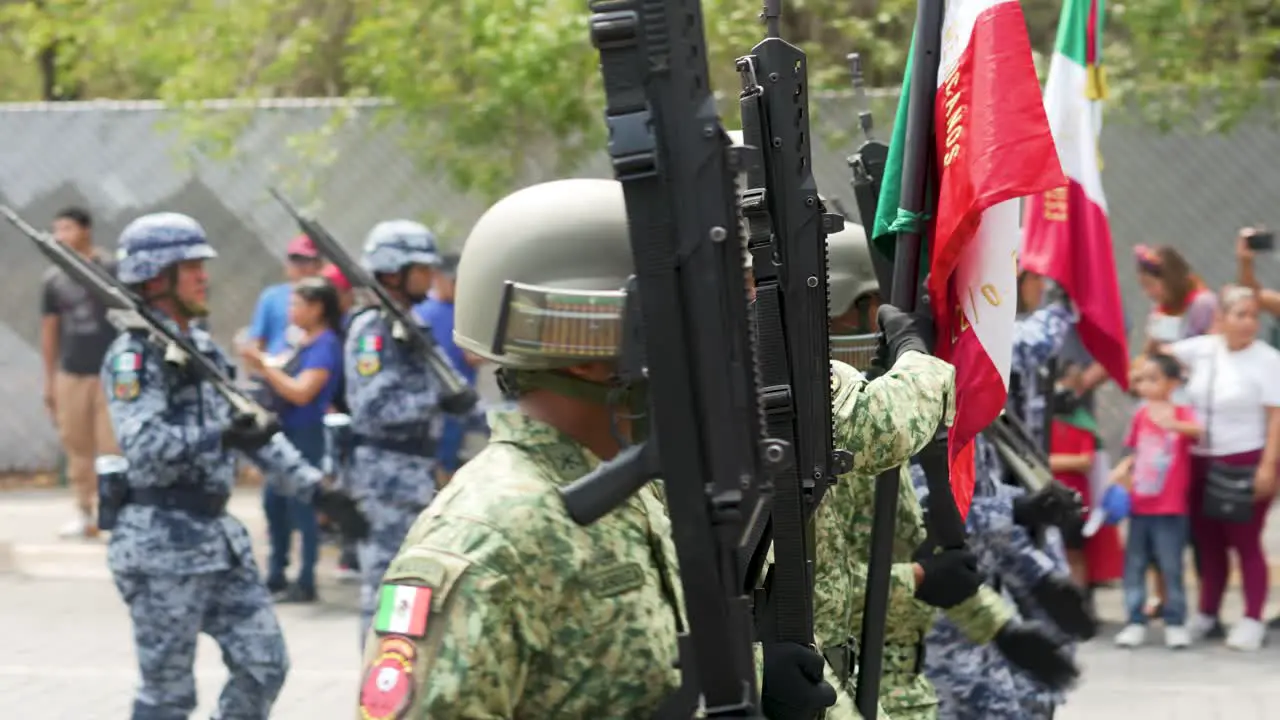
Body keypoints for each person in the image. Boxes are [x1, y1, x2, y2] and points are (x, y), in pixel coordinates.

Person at [359, 178, 839, 719]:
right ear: (586, 345)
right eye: (672, 324)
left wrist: (753, 674)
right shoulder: (489, 534)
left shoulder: (623, 492)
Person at [814, 226, 1079, 720]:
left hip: (905, 669)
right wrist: (916, 580)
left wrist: (999, 625)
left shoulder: (874, 411)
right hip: (848, 674)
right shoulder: (854, 422)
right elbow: (813, 593)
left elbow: (930, 539)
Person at [101, 212, 325, 719]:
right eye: (192, 266)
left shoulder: (201, 349)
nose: (205, 276)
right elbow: (144, 444)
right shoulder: (134, 356)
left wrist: (318, 488)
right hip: (159, 545)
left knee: (264, 664)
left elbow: (253, 429)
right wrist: (219, 435)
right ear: (158, 278)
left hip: (218, 541)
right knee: (168, 696)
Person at [344, 219, 445, 641]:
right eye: (420, 268)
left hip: (413, 472)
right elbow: (373, 407)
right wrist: (436, 400)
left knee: (412, 585)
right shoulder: (374, 330)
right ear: (393, 272)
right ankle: (380, 686)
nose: (430, 276)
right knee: (387, 585)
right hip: (385, 476)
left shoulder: (410, 326)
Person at [1165, 285, 1280, 651]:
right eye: (1240, 315)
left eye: (1253, 316)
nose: (1248, 323)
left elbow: (1276, 415)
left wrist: (1268, 466)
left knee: (1245, 542)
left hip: (1245, 459)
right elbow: (1159, 359)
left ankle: (1251, 619)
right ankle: (1208, 612)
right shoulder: (1203, 349)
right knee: (1208, 540)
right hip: (1200, 458)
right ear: (1220, 320)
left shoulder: (1267, 359)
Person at [240, 277, 345, 603]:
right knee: (275, 505)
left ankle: (306, 578)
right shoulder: (301, 342)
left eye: (298, 304)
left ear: (317, 308)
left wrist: (264, 367)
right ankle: (276, 574)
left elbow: (301, 392)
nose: (291, 310)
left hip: (306, 434)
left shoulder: (326, 345)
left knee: (304, 506)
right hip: (283, 432)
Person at [1109, 352, 1201, 648]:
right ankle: (1135, 620)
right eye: (1142, 379)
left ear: (1172, 383)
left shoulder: (1182, 412)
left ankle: (1175, 621)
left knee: (1171, 565)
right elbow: (1131, 450)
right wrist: (1123, 469)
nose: (1146, 385)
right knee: (1134, 565)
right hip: (1140, 505)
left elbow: (1199, 432)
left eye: (1154, 378)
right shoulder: (1139, 414)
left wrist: (1174, 425)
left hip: (1171, 507)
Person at [40, 206, 121, 539]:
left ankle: (114, 514)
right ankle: (84, 513)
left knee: (112, 446)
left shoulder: (112, 268)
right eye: (57, 230)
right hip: (72, 372)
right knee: (77, 443)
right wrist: (50, 380)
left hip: (110, 371)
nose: (61, 236)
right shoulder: (54, 279)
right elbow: (49, 330)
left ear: (85, 230)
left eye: (67, 228)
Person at [414, 252, 489, 487]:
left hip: (460, 400)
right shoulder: (423, 313)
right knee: (439, 460)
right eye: (456, 282)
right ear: (440, 279)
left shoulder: (463, 311)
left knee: (451, 456)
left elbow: (472, 356)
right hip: (435, 402)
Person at [247, 234, 324, 354]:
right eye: (295, 260)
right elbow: (256, 343)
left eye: (306, 260)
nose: (300, 266)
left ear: (318, 265)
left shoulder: (327, 299)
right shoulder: (271, 297)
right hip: (277, 366)